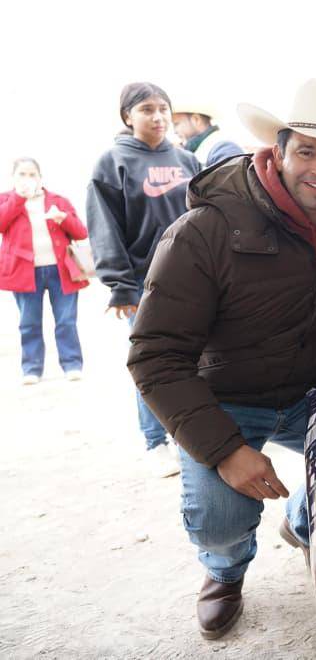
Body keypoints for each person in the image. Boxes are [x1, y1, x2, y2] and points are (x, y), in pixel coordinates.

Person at [126, 79, 316, 641]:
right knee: (221, 518)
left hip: (312, 395)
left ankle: (303, 519)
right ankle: (224, 571)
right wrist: (225, 451)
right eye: (307, 151)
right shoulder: (205, 229)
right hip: (224, 397)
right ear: (278, 151)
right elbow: (155, 356)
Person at [86, 81, 201, 478]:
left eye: (163, 109)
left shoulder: (187, 161)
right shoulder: (112, 163)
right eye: (147, 109)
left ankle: (190, 436)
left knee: (198, 360)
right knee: (153, 363)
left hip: (194, 278)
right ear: (127, 116)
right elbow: (104, 226)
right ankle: (156, 442)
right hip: (143, 283)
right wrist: (119, 284)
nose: (158, 117)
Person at [0, 158, 88, 384]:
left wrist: (64, 219)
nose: (27, 179)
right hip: (24, 271)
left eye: (32, 174)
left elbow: (81, 232)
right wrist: (19, 198)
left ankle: (72, 365)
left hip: (61, 270)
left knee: (66, 320)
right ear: (13, 177)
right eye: (22, 174)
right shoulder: (6, 200)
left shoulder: (58, 201)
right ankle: (32, 369)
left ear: (40, 177)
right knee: (29, 322)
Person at [171, 103, 244, 167]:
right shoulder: (200, 149)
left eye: (176, 124)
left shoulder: (224, 148)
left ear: (196, 120)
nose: (175, 131)